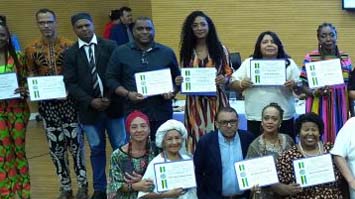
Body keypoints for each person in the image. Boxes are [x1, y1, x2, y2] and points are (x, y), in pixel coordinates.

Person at [63, 12, 125, 199]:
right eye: (79, 27)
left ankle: (125, 186)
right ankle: (100, 189)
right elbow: (71, 83)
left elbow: (117, 74)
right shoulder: (70, 53)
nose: (84, 29)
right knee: (97, 150)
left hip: (113, 106)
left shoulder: (110, 46)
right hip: (89, 112)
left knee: (121, 148)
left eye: (87, 25)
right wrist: (91, 101)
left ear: (92, 25)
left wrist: (108, 97)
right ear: (74, 29)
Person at [25, 8, 86, 199]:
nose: (46, 26)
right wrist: (31, 88)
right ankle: (65, 187)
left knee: (75, 146)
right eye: (42, 22)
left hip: (70, 105)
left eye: (49, 22)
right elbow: (31, 74)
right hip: (48, 108)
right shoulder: (31, 49)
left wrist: (71, 91)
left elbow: (79, 74)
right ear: (37, 24)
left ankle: (83, 185)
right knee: (55, 148)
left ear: (55, 22)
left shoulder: (70, 46)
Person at [138, 120, 211, 199]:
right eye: (169, 139)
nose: (174, 142)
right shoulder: (156, 163)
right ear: (163, 142)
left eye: (177, 138)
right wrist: (168, 194)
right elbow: (143, 194)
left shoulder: (188, 160)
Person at [105, 16, 180, 134]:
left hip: (161, 112)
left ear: (154, 30)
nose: (144, 32)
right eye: (140, 29)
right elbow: (110, 79)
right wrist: (128, 94)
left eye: (148, 28)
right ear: (133, 31)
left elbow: (177, 80)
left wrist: (172, 92)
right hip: (134, 112)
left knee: (162, 148)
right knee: (138, 150)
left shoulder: (167, 52)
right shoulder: (120, 52)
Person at [175, 11, 232, 153]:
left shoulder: (220, 48)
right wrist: (179, 80)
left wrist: (224, 79)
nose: (199, 28)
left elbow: (229, 71)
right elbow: (184, 74)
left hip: (217, 101)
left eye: (202, 24)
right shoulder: (187, 50)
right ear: (190, 29)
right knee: (196, 137)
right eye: (195, 25)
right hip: (194, 105)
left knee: (219, 135)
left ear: (209, 26)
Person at [230, 31, 299, 138]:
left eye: (273, 42)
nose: (269, 44)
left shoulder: (289, 63)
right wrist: (241, 84)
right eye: (265, 42)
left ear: (278, 46)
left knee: (286, 149)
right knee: (256, 150)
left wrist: (294, 85)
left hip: (283, 116)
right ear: (259, 46)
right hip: (256, 116)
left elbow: (301, 87)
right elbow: (232, 83)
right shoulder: (249, 63)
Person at [247, 103, 293, 199]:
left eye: (274, 118)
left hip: (287, 197)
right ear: (261, 121)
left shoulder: (288, 140)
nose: (270, 121)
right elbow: (249, 176)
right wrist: (251, 185)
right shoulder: (255, 145)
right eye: (266, 118)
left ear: (280, 122)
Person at [299, 23, 352, 143]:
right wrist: (314, 92)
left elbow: (349, 86)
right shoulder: (311, 57)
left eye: (331, 35)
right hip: (317, 104)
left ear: (336, 36)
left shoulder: (345, 57)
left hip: (340, 106)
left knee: (340, 139)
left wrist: (351, 113)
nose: (328, 39)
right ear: (318, 38)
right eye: (324, 36)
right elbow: (302, 84)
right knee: (317, 138)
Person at [0, 20, 31, 199]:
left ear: (8, 36)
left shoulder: (18, 57)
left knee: (19, 153)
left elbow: (30, 85)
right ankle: (7, 197)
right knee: (3, 156)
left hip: (18, 111)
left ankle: (25, 195)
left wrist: (24, 90)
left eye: (2, 35)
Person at [107, 110, 157, 199]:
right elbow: (115, 185)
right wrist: (136, 186)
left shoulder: (157, 151)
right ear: (128, 130)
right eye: (134, 127)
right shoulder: (118, 155)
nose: (139, 130)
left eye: (143, 126)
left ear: (149, 129)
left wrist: (144, 180)